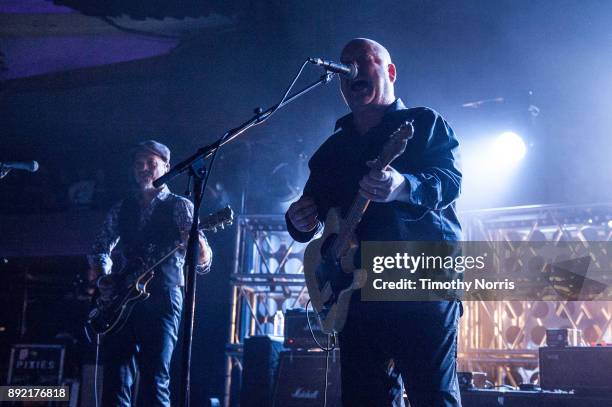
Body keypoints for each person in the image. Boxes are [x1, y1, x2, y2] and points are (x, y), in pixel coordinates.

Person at [286, 38, 463, 406]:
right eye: (344, 64)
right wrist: (299, 220)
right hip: (356, 296)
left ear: (390, 72)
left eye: (363, 60)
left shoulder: (424, 123)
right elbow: (313, 216)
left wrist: (403, 186)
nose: (351, 68)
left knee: (432, 396)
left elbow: (450, 182)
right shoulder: (331, 151)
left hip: (420, 281)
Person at [88, 140, 212, 406]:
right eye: (139, 164)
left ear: (166, 167)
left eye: (151, 164)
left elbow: (203, 262)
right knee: (115, 381)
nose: (144, 169)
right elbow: (100, 246)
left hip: (163, 298)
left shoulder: (181, 206)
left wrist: (195, 243)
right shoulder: (122, 207)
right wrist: (103, 278)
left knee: (155, 379)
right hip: (122, 301)